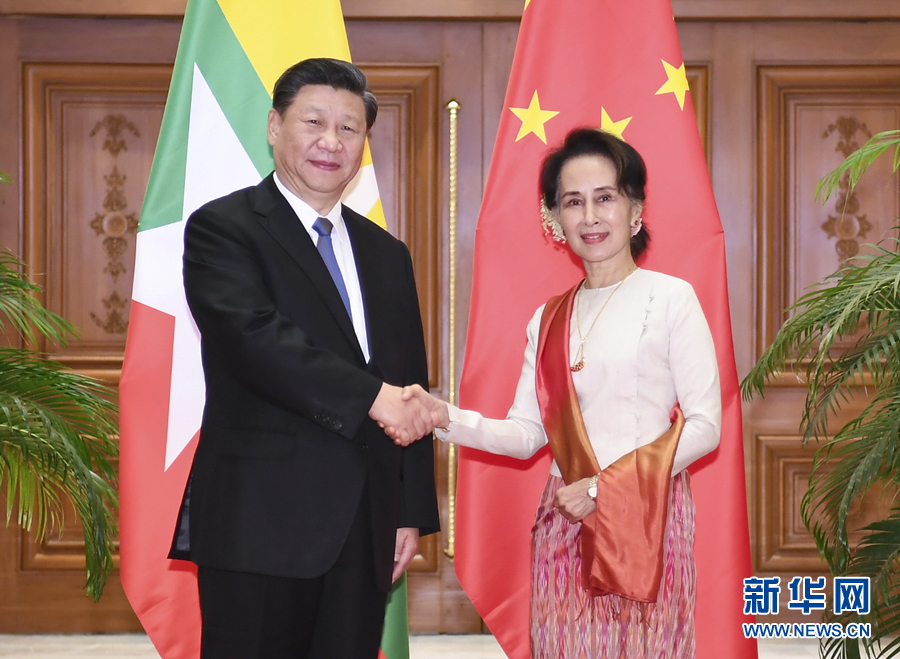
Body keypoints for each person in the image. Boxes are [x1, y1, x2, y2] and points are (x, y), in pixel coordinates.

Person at [401, 128, 721, 658]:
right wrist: (444, 417)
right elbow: (527, 434)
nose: (590, 217)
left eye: (605, 198)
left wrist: (601, 489)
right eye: (573, 202)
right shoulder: (548, 319)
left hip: (648, 514)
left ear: (635, 209)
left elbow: (705, 426)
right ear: (554, 218)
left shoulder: (670, 299)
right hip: (566, 517)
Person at [169, 58, 440, 659]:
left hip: (364, 525)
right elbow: (255, 341)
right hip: (259, 521)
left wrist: (410, 510)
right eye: (314, 122)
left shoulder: (387, 254)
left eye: (349, 128)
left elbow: (408, 382)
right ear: (274, 126)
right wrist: (372, 399)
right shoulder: (224, 229)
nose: (331, 142)